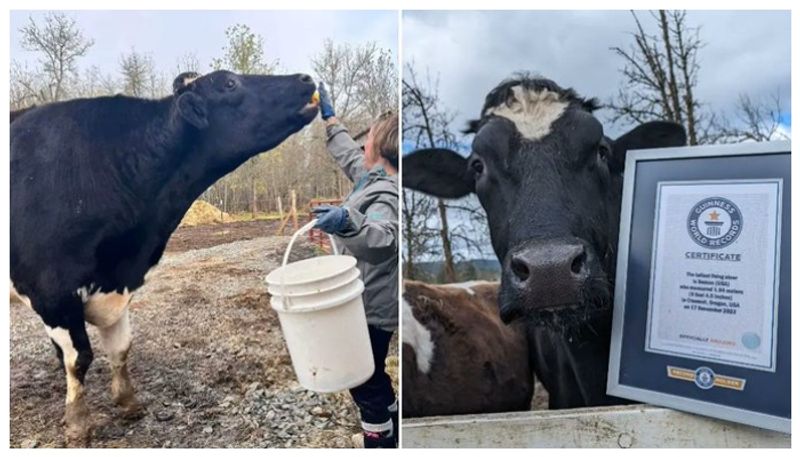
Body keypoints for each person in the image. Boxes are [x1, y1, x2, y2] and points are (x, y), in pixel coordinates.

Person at [312, 83, 399, 448]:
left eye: (369, 139)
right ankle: (394, 418)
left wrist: (348, 223)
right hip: (371, 300)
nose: (362, 146)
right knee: (373, 370)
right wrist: (331, 121)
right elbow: (350, 155)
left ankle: (379, 438)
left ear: (378, 150)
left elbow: (383, 238)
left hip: (374, 310)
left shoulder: (387, 194)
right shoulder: (374, 178)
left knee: (362, 377)